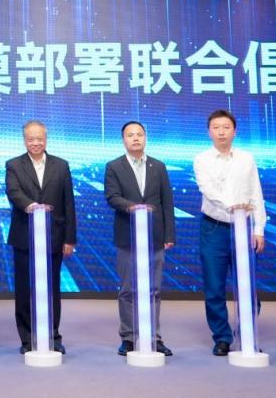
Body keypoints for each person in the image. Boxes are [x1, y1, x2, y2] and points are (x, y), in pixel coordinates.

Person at [193, 109, 266, 356]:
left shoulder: (246, 158)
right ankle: (222, 338)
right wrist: (233, 206)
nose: (221, 132)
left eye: (226, 127)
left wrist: (259, 228)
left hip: (244, 228)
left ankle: (247, 334)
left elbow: (256, 193)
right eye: (216, 127)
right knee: (214, 287)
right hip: (214, 227)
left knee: (247, 286)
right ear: (209, 132)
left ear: (234, 131)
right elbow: (207, 190)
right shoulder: (201, 159)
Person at [104, 121, 175, 357]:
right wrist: (133, 207)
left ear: (145, 138)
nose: (135, 138)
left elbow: (167, 202)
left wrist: (169, 234)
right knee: (128, 289)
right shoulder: (114, 166)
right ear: (123, 139)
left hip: (155, 236)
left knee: (153, 289)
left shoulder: (158, 166)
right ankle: (128, 337)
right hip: (127, 236)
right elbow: (112, 196)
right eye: (130, 135)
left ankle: (154, 336)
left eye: (139, 134)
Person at [5, 120, 77, 355]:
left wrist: (69, 239)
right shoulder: (14, 165)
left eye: (39, 138)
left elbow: (68, 203)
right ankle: (27, 338)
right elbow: (13, 192)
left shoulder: (61, 165)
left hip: (54, 236)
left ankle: (53, 336)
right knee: (24, 290)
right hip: (24, 237)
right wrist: (32, 206)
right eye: (31, 139)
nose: (35, 142)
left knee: (52, 288)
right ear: (24, 140)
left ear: (46, 139)